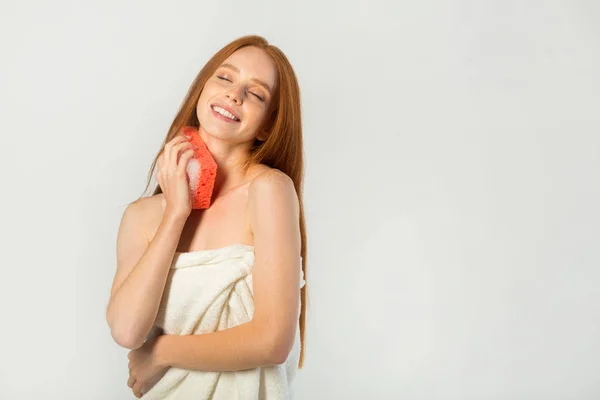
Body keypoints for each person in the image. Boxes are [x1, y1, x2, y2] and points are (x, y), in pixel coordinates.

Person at [105, 35, 308, 398]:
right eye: (225, 78)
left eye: (256, 94)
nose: (235, 95)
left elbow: (274, 339)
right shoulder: (141, 216)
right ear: (202, 89)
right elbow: (126, 331)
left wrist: (161, 352)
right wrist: (176, 215)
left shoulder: (270, 191)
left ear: (266, 126)